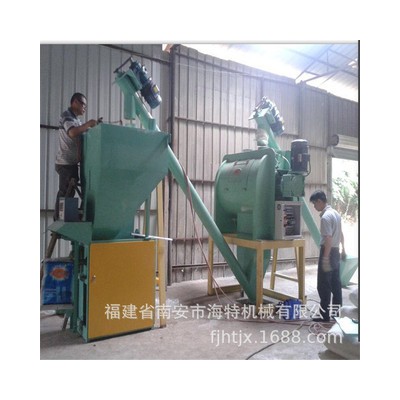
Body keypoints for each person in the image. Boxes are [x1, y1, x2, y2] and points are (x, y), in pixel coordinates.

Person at [53, 93, 99, 220]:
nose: (85, 108)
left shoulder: (77, 121)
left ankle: (64, 217)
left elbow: (80, 135)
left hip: (72, 163)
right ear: (75, 102)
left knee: (70, 192)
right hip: (65, 163)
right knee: (65, 191)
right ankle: (59, 218)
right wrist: (88, 124)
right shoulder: (66, 116)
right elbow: (72, 132)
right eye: (83, 104)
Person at [310, 190, 346, 322]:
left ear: (320, 201)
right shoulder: (336, 213)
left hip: (328, 251)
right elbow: (341, 234)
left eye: (315, 204)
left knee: (324, 285)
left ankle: (324, 315)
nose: (315, 207)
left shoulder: (325, 217)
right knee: (336, 284)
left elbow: (328, 239)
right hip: (336, 252)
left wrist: (325, 258)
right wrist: (344, 249)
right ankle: (336, 314)